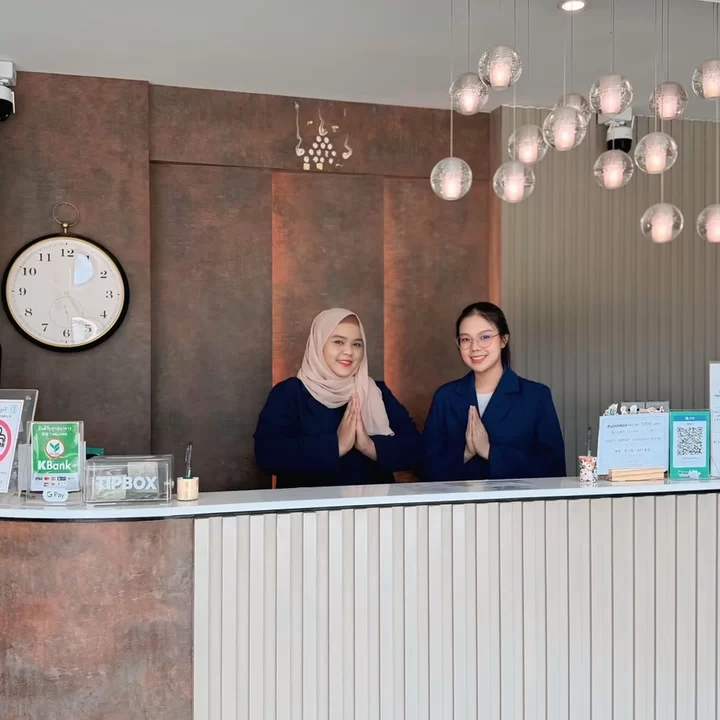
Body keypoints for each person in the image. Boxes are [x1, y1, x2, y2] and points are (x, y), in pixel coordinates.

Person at [255, 308, 421, 488]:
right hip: (309, 505)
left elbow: (416, 449)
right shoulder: (289, 394)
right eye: (339, 342)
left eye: (357, 344)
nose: (349, 351)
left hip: (373, 505)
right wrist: (336, 446)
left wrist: (369, 446)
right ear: (319, 344)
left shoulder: (377, 391)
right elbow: (267, 455)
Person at [422, 302, 566, 482]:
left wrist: (489, 451)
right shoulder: (445, 397)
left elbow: (553, 469)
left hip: (515, 500)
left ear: (504, 340)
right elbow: (425, 469)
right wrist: (465, 453)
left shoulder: (536, 396)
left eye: (485, 337)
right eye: (466, 339)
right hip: (458, 500)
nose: (474, 347)